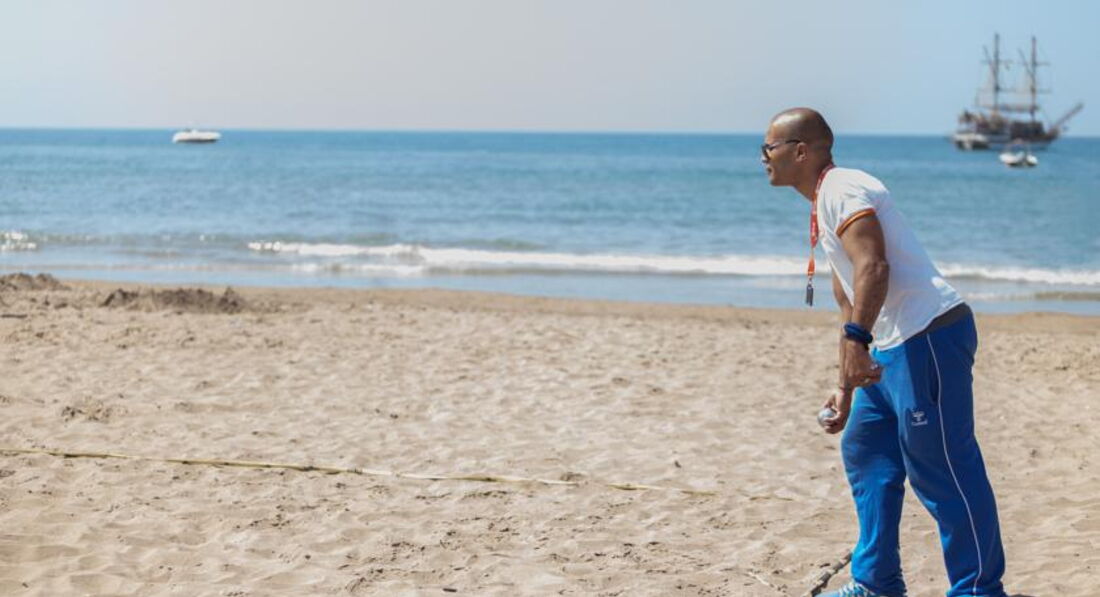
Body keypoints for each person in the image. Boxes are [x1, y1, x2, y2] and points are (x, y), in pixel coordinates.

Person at [761, 108, 1007, 597]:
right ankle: (877, 583)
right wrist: (845, 384)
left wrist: (858, 340)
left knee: (943, 469)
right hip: (890, 345)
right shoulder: (821, 203)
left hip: (928, 335)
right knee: (866, 451)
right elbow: (848, 299)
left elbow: (874, 267)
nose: (763, 158)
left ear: (800, 151)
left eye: (768, 148)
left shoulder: (842, 188)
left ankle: (979, 589)